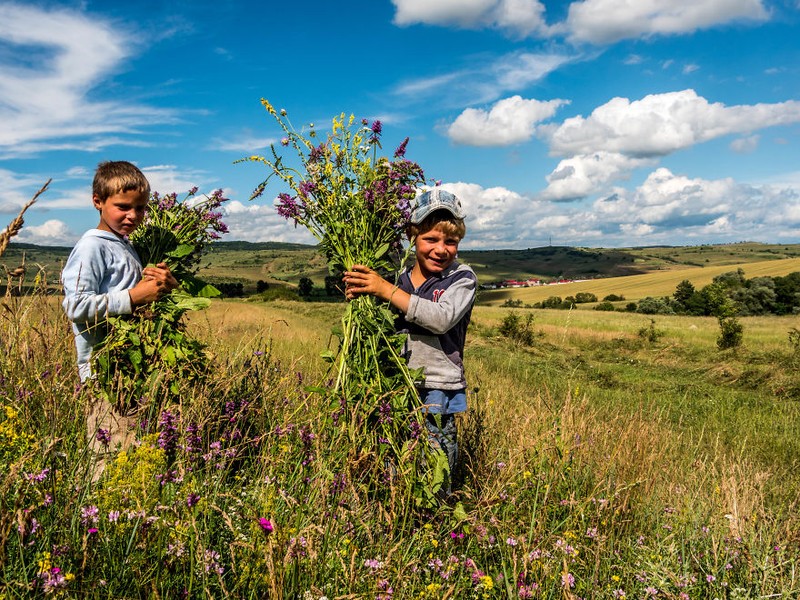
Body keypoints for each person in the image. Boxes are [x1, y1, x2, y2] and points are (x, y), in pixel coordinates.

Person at [343, 188, 477, 492]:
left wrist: (384, 290)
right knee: (394, 461)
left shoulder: (462, 278)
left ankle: (435, 520)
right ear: (411, 236)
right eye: (430, 239)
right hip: (395, 384)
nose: (441, 249)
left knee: (435, 461)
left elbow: (440, 319)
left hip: (437, 387)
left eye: (450, 242)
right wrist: (361, 289)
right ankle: (397, 515)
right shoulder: (398, 276)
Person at [61, 161, 177, 473]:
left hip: (130, 366)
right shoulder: (91, 247)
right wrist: (134, 297)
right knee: (108, 454)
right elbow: (75, 307)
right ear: (97, 201)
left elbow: (136, 295)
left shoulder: (123, 245)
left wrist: (163, 284)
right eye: (123, 207)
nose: (133, 216)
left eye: (141, 208)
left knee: (130, 449)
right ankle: (97, 517)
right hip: (105, 373)